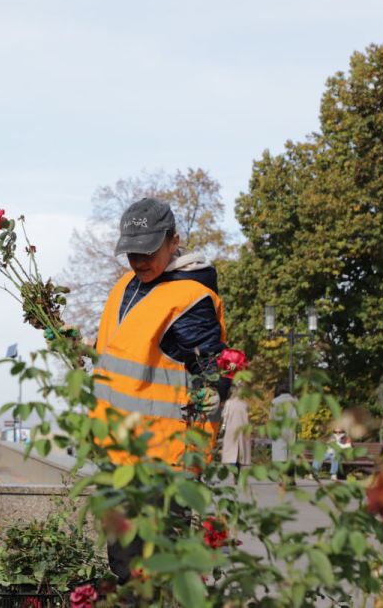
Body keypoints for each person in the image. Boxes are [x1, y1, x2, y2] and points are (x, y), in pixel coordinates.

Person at [89, 197, 228, 581]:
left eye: (148, 250)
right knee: (125, 567)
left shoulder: (190, 300)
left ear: (174, 241)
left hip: (161, 462)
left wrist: (194, 461)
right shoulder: (126, 286)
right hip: (119, 452)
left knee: (149, 573)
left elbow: (213, 380)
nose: (139, 261)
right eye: (132, 252)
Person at [270, 378, 299, 486]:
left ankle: (282, 478)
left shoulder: (274, 402)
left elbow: (271, 418)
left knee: (280, 455)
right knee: (291, 455)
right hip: (290, 430)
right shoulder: (294, 400)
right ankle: (291, 478)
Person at [220, 390, 251, 470]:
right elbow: (248, 418)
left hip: (231, 429)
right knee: (241, 452)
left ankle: (234, 471)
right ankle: (238, 471)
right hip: (242, 430)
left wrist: (223, 427)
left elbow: (224, 416)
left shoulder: (229, 403)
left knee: (232, 452)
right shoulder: (244, 404)